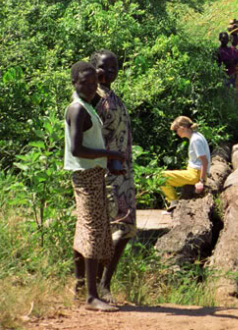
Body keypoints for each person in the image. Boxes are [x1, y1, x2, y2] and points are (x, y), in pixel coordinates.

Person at [65, 61, 126, 312]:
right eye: (85, 83)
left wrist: (108, 160)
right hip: (86, 175)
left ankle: (80, 288)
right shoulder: (77, 109)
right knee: (92, 230)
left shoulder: (87, 106)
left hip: (93, 173)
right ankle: (91, 296)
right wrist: (108, 153)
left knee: (90, 229)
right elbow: (77, 149)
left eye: (93, 82)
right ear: (74, 83)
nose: (91, 87)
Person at [88, 50, 136, 304]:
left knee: (125, 229)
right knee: (112, 230)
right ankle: (98, 287)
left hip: (123, 173)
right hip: (106, 172)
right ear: (95, 68)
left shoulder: (112, 96)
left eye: (115, 67)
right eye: (105, 67)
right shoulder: (93, 95)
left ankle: (101, 284)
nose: (111, 71)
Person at [159, 116, 211, 212]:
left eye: (176, 130)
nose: (176, 133)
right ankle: (173, 202)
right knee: (165, 177)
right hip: (193, 172)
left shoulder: (195, 140)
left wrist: (201, 182)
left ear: (182, 127)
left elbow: (204, 161)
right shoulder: (196, 136)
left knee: (160, 176)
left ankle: (174, 202)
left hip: (195, 174)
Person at [216, 31, 238, 98]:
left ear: (228, 40)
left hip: (232, 76)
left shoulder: (232, 50)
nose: (224, 40)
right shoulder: (218, 51)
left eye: (226, 38)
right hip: (223, 76)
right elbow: (217, 64)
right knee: (225, 96)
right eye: (223, 38)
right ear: (219, 39)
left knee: (233, 95)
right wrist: (228, 62)